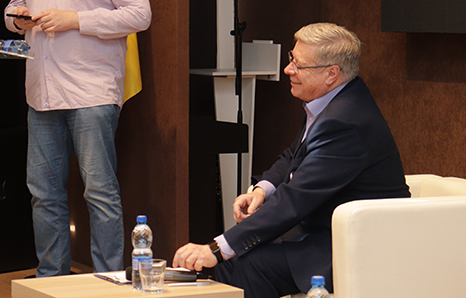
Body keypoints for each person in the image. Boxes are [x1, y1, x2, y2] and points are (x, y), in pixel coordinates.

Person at [173, 23, 409, 297]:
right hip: (325, 231)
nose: (288, 70)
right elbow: (294, 155)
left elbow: (295, 199)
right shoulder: (334, 99)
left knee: (251, 264)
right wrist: (262, 190)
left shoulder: (344, 122)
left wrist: (216, 248)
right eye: (291, 59)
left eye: (299, 65)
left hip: (358, 245)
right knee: (233, 260)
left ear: (331, 74)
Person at [4, 0, 152, 277]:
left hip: (91, 92)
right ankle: (52, 278)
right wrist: (18, 19)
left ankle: (108, 280)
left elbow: (139, 15)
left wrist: (76, 20)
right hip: (42, 91)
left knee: (99, 193)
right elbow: (12, 8)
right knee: (43, 193)